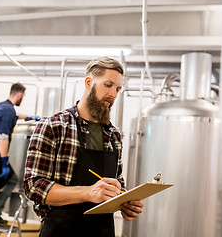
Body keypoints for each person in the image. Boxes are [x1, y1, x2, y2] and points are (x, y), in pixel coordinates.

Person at [23, 57, 144, 237]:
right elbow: (33, 186)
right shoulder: (54, 126)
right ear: (89, 83)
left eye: (118, 89)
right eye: (108, 85)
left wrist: (124, 200)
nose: (113, 94)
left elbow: (117, 181)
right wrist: (88, 193)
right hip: (60, 231)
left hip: (102, 231)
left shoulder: (114, 135)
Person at [0, 82, 40, 237]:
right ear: (19, 95)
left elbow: (16, 116)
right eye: (23, 97)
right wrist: (5, 162)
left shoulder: (3, 107)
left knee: (12, 179)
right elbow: (3, 138)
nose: (22, 100)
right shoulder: (8, 110)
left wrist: (31, 117)